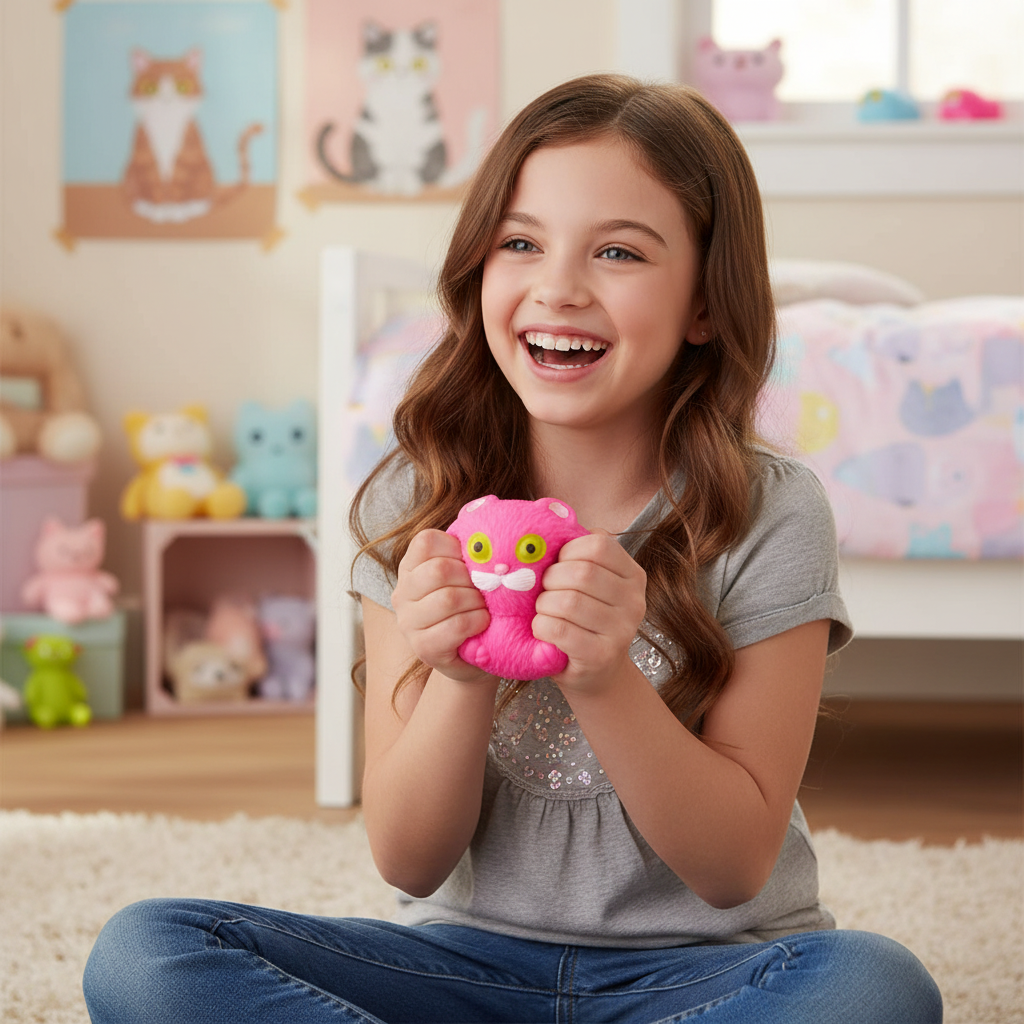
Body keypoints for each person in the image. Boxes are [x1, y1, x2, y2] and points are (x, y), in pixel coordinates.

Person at [83, 75, 942, 1024]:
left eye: (618, 252)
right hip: (456, 968)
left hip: (707, 972)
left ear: (704, 302)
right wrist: (457, 676)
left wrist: (605, 677)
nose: (559, 288)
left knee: (875, 986)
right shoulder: (418, 503)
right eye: (521, 243)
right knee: (146, 952)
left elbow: (734, 867)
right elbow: (408, 860)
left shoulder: (772, 511)